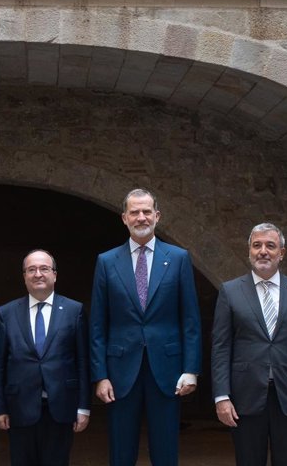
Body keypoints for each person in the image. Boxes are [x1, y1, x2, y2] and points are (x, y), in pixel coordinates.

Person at [90, 188, 202, 466]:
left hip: (167, 369)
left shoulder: (178, 258)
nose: (141, 217)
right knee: (121, 451)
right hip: (119, 372)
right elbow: (98, 324)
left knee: (165, 451)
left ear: (157, 216)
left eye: (146, 212)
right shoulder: (107, 261)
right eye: (134, 212)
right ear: (124, 218)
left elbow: (190, 320)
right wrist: (100, 375)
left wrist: (191, 369)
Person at [210, 223, 287, 466]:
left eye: (270, 246)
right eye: (257, 245)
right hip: (244, 396)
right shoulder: (230, 291)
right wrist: (221, 396)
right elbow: (221, 347)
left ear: (281, 253)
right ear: (249, 251)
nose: (263, 251)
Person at [0, 249, 90, 466]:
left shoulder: (74, 310)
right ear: (24, 276)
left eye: (44, 269)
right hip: (19, 407)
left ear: (55, 274)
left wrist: (84, 406)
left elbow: (83, 361)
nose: (38, 274)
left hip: (61, 406)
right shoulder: (6, 313)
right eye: (31, 270)